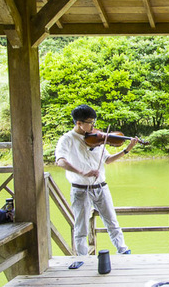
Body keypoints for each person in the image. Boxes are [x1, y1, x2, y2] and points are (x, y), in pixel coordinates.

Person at [55, 104, 137, 257]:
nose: (94, 126)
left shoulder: (97, 138)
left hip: (101, 187)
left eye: (94, 122)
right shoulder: (67, 140)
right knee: (81, 227)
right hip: (80, 189)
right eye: (90, 122)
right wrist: (81, 172)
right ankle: (83, 257)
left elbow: (108, 160)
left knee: (112, 221)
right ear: (79, 123)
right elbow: (60, 161)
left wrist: (127, 150)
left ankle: (123, 250)